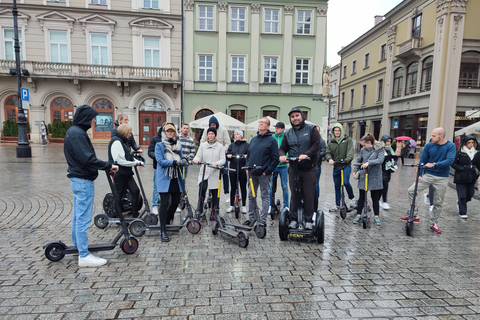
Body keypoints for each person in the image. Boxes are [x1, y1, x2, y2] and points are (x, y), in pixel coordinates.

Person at [64, 105, 118, 267]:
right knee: (83, 218)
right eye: (92, 118)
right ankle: (84, 255)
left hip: (78, 179)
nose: (94, 121)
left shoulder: (74, 132)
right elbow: (87, 159)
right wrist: (107, 165)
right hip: (82, 180)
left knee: (77, 216)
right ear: (86, 118)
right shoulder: (77, 134)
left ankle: (78, 247)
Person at [401, 127, 456, 234]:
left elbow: (449, 161)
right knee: (411, 190)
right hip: (429, 174)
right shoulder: (429, 145)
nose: (431, 137)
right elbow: (423, 160)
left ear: (441, 136)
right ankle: (414, 214)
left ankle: (433, 223)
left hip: (442, 177)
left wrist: (435, 164)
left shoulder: (450, 146)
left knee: (438, 201)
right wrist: (420, 175)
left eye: (433, 136)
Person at [279, 109, 320, 230]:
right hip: (294, 169)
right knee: (295, 194)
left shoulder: (311, 129)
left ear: (302, 116)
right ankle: (294, 219)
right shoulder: (288, 133)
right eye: (292, 117)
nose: (295, 118)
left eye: (297, 115)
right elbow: (282, 148)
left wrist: (307, 154)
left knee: (308, 194)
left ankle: (308, 220)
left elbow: (316, 145)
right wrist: (281, 155)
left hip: (309, 169)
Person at [245, 117, 279, 235]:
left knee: (264, 196)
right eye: (260, 122)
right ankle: (251, 219)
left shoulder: (271, 140)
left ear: (268, 126)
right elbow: (248, 155)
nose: (260, 124)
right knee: (251, 196)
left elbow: (275, 159)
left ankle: (262, 221)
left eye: (263, 123)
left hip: (264, 174)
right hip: (252, 173)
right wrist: (247, 167)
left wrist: (267, 171)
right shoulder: (254, 139)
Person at [155, 123, 186, 242]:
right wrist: (174, 163)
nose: (170, 133)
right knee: (164, 203)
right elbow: (160, 161)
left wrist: (183, 160)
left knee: (176, 201)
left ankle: (167, 220)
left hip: (175, 177)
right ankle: (163, 229)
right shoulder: (160, 145)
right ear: (164, 132)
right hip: (164, 177)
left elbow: (181, 156)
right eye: (167, 131)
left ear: (175, 132)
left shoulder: (178, 145)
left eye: (172, 131)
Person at [108, 124, 144, 219]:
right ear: (125, 132)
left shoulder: (123, 142)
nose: (131, 135)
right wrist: (135, 164)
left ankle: (135, 214)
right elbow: (119, 160)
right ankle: (119, 217)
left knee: (135, 191)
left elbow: (129, 157)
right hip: (119, 173)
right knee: (119, 194)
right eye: (130, 133)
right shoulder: (116, 142)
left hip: (126, 172)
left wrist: (138, 162)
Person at [193, 127, 226, 220]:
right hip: (205, 171)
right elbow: (198, 155)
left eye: (212, 134)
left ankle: (214, 212)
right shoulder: (203, 145)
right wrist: (196, 160)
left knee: (215, 193)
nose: (211, 135)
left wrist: (217, 163)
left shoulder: (220, 146)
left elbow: (223, 159)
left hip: (215, 172)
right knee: (202, 190)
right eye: (209, 134)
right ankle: (199, 209)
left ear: (215, 135)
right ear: (207, 135)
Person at [352, 133, 385, 225]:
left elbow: (380, 160)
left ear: (369, 142)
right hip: (364, 175)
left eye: (364, 145)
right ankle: (358, 215)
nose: (363, 147)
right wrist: (355, 169)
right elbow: (359, 160)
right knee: (361, 197)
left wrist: (369, 162)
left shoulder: (379, 148)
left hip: (375, 176)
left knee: (375, 198)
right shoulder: (363, 150)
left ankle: (376, 217)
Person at [326, 123, 356, 213]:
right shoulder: (331, 142)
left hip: (346, 165)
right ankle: (337, 205)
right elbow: (327, 152)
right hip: (336, 166)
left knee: (346, 182)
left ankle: (352, 199)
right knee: (337, 186)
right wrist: (330, 159)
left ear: (341, 131)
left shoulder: (347, 140)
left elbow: (351, 151)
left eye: (339, 130)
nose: (337, 132)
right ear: (333, 132)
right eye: (335, 131)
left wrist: (347, 159)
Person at [201, 116, 231, 202]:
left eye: (214, 124)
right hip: (209, 155)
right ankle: (210, 194)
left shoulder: (223, 130)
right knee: (209, 174)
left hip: (221, 155)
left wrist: (221, 150)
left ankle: (226, 193)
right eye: (211, 124)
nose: (212, 126)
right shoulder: (206, 130)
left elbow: (228, 143)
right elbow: (202, 141)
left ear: (217, 124)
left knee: (225, 174)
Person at [451, 135, 480, 219]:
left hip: (471, 177)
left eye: (472, 143)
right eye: (469, 142)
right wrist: (462, 168)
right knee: (462, 195)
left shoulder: (476, 153)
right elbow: (453, 163)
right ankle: (462, 212)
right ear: (465, 143)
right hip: (460, 177)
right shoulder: (459, 152)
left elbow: (478, 164)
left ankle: (460, 202)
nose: (471, 144)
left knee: (470, 194)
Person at [226, 130, 249, 213]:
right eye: (235, 134)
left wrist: (246, 156)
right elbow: (227, 154)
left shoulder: (246, 145)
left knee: (243, 187)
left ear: (241, 135)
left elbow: (250, 154)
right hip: (233, 169)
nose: (236, 136)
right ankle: (231, 205)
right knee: (233, 187)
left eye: (237, 134)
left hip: (242, 168)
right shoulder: (232, 145)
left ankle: (243, 205)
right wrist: (228, 155)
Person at [269, 122, 289, 213]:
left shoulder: (286, 137)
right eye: (275, 127)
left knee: (284, 186)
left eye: (278, 128)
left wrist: (285, 157)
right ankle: (270, 205)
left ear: (282, 129)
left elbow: (288, 149)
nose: (276, 129)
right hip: (274, 166)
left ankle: (286, 206)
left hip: (283, 166)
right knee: (271, 186)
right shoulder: (272, 137)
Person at [147, 127, 162, 215]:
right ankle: (154, 205)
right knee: (156, 186)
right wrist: (157, 157)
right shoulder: (155, 139)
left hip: (169, 167)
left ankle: (171, 205)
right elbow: (150, 151)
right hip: (158, 166)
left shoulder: (172, 139)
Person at [380, 134, 397, 210]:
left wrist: (394, 159)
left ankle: (383, 201)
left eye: (390, 141)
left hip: (387, 170)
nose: (389, 143)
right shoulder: (380, 149)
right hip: (381, 170)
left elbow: (392, 158)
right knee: (381, 186)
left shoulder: (390, 149)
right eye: (387, 141)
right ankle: (381, 201)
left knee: (385, 186)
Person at [314, 125, 327, 211]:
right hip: (309, 165)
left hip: (317, 164)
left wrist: (316, 156)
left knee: (316, 183)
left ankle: (316, 198)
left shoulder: (321, 141)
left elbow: (323, 151)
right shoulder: (310, 140)